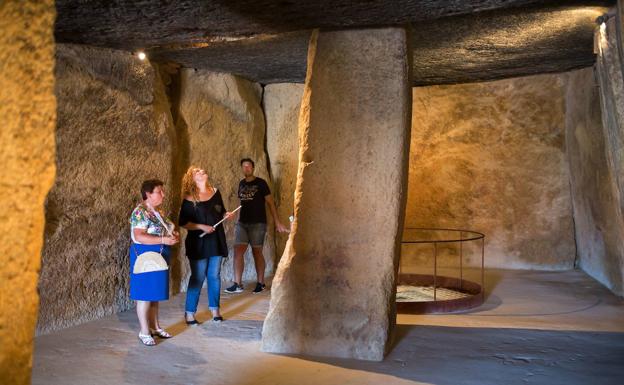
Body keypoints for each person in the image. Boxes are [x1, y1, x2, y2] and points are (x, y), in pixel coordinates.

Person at [225, 158, 288, 294]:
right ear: (242, 169)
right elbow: (242, 204)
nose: (246, 168)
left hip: (258, 223)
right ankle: (237, 284)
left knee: (257, 252)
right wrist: (237, 219)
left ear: (253, 168)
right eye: (244, 166)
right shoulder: (241, 184)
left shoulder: (261, 183)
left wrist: (277, 222)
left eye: (249, 166)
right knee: (237, 252)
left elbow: (270, 203)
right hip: (242, 223)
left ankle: (261, 283)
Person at [179, 166, 234, 324]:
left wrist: (226, 214)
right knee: (198, 277)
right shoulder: (189, 198)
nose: (203, 172)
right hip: (198, 242)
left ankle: (215, 310)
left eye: (203, 171)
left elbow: (221, 211)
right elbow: (183, 223)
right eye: (198, 172)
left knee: (214, 276)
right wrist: (202, 227)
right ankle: (190, 313)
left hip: (216, 239)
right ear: (192, 179)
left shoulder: (215, 192)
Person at [129, 179, 179, 346]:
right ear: (148, 194)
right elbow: (139, 236)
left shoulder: (157, 212)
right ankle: (144, 331)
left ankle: (155, 327)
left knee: (154, 295)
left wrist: (173, 235)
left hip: (158, 254)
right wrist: (164, 239)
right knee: (144, 295)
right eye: (159, 192)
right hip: (145, 256)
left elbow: (165, 229)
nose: (163, 195)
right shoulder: (140, 212)